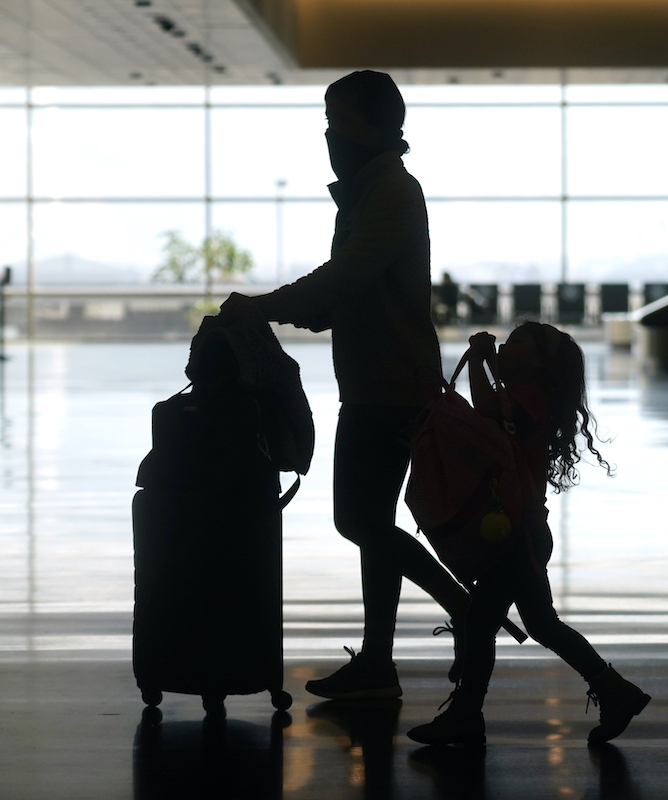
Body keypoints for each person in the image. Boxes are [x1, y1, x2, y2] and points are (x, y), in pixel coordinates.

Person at [221, 70, 470, 700]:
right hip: (377, 382)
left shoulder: (389, 192)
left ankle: (466, 612)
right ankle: (379, 663)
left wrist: (264, 306)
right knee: (372, 523)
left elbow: (348, 278)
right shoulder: (371, 193)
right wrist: (296, 308)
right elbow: (348, 295)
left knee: (357, 519)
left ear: (377, 126)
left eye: (339, 121)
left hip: (391, 388)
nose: (330, 134)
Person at [407, 322, 651, 746]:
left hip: (518, 537)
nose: (506, 344)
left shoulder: (531, 400)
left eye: (518, 342)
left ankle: (467, 713)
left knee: (487, 622)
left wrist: (480, 361)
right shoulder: (528, 399)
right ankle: (614, 690)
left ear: (540, 363)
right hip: (521, 534)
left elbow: (484, 408)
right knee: (537, 623)